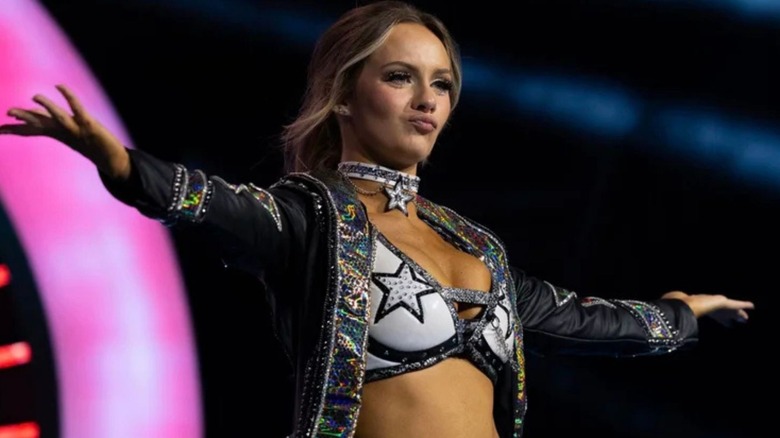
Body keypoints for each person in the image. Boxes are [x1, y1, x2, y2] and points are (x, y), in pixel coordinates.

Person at [0, 1, 754, 437]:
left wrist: (677, 314)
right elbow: (213, 202)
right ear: (344, 93)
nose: (428, 100)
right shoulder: (311, 217)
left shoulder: (477, 244)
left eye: (443, 84)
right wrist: (122, 164)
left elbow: (577, 320)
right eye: (400, 77)